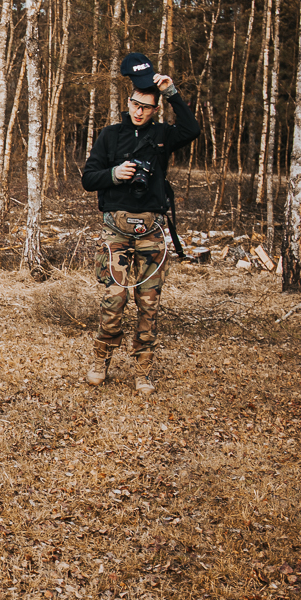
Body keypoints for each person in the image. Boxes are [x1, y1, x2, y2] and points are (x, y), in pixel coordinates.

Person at [79, 53, 201, 394]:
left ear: (154, 109)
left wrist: (173, 93)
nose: (139, 111)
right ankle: (100, 358)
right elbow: (88, 179)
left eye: (146, 107)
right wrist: (114, 175)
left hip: (150, 232)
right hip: (116, 230)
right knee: (113, 300)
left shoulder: (162, 136)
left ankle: (143, 369)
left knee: (149, 303)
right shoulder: (110, 135)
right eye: (135, 104)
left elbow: (192, 129)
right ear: (128, 102)